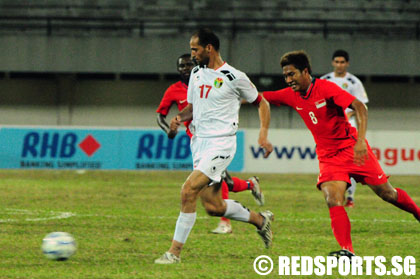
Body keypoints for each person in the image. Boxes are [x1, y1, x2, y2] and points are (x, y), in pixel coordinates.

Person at [262, 50, 420, 258]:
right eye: (285, 76)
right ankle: (348, 251)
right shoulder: (290, 95)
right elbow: (257, 97)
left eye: (292, 74)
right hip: (329, 157)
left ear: (305, 72)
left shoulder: (326, 88)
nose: (288, 80)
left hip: (352, 148)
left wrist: (361, 141)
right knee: (333, 198)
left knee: (387, 194)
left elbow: (360, 107)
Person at [155, 28, 274, 264]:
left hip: (221, 143)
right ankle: (261, 221)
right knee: (214, 206)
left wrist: (263, 135)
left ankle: (174, 252)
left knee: (188, 191)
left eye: (195, 49)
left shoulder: (234, 76)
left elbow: (263, 103)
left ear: (209, 48)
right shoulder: (197, 73)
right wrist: (180, 118)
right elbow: (193, 107)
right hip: (199, 143)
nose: (192, 55)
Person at [321, 49, 369, 208]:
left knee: (351, 163)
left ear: (347, 63)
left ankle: (351, 196)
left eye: (342, 62)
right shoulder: (325, 80)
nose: (339, 65)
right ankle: (335, 194)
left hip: (349, 127)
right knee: (331, 163)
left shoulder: (354, 82)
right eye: (337, 62)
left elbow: (361, 107)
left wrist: (348, 115)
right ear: (332, 63)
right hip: (329, 129)